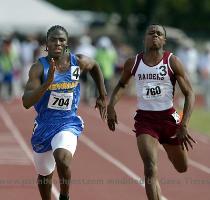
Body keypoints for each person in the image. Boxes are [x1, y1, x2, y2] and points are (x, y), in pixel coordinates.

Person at [107, 24, 196, 200]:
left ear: (164, 40)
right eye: (151, 33)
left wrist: (184, 124)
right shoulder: (134, 62)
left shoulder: (172, 61)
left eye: (159, 34)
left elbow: (190, 93)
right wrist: (111, 106)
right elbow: (122, 84)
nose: (154, 35)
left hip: (169, 119)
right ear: (144, 38)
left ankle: (170, 150)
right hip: (145, 121)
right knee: (149, 167)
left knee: (182, 167)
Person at [22, 25, 107, 200]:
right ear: (47, 43)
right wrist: (47, 84)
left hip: (68, 122)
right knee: (45, 174)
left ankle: (64, 196)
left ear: (67, 43)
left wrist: (101, 94)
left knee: (62, 158)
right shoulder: (39, 68)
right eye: (54, 39)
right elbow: (26, 102)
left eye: (62, 40)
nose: (58, 43)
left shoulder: (77, 62)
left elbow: (95, 66)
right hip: (44, 125)